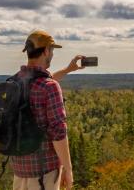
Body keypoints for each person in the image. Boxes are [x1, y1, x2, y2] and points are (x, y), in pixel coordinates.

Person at [10, 30, 86, 190]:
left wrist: (67, 70)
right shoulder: (49, 87)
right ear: (45, 51)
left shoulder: (15, 81)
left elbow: (44, 82)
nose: (52, 54)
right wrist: (68, 168)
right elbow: (58, 133)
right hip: (44, 174)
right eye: (51, 50)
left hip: (19, 171)